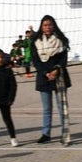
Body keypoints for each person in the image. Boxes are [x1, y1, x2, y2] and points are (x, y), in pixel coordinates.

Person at [32, 15, 71, 144]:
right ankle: (46, 133)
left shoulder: (62, 40)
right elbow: (36, 61)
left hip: (59, 76)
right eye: (45, 25)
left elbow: (63, 59)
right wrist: (45, 73)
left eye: (49, 25)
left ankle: (64, 134)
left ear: (53, 25)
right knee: (47, 108)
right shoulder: (35, 41)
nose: (47, 27)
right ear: (41, 27)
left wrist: (56, 70)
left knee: (62, 107)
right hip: (44, 78)